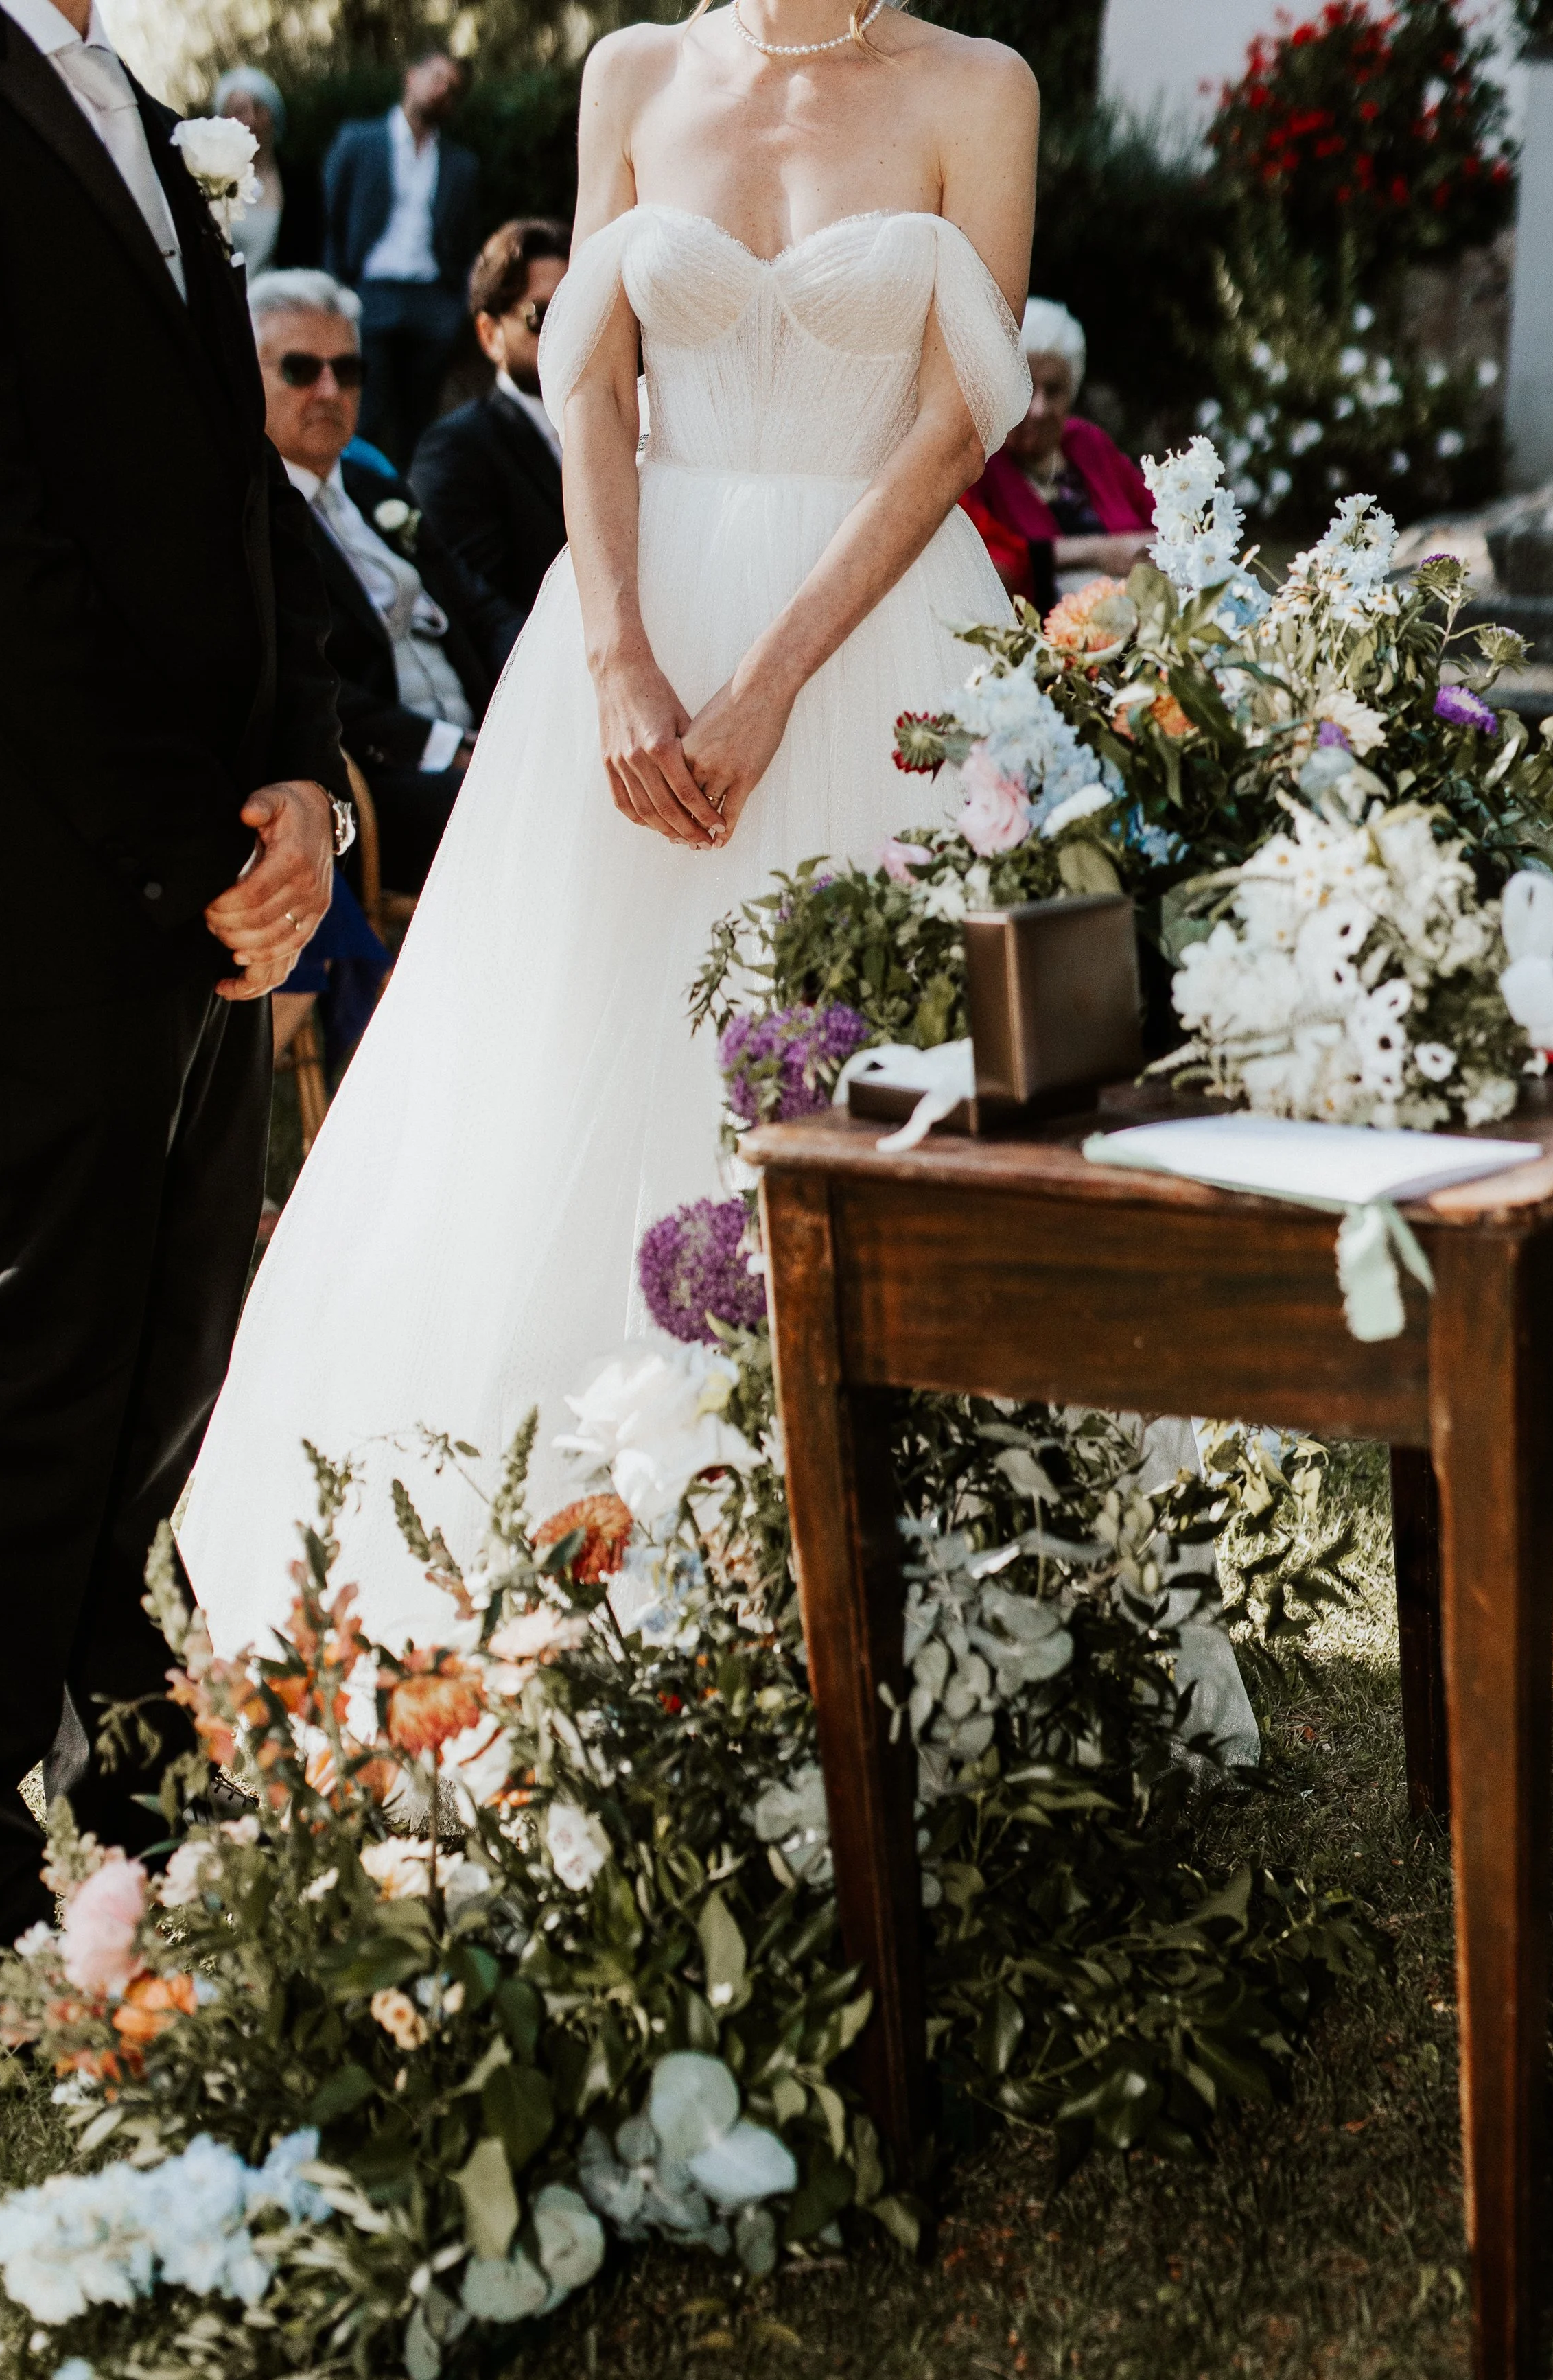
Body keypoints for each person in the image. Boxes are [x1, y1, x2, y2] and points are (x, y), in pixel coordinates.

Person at [180, 0, 1041, 1658]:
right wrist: (616, 656)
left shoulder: (976, 86)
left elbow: (956, 422)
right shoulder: (633, 71)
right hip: (631, 625)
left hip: (872, 648)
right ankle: (544, 1532)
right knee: (566, 1059)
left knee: (864, 1077)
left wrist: (774, 676)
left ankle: (878, 1566)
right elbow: (588, 378)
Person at [0, 0, 349, 1974]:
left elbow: (236, 500)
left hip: (204, 863)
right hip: (26, 859)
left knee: (167, 1334)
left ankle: (126, 1749)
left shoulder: (136, 113)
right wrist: (194, 848)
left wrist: (310, 786)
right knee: (19, 1361)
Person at [252, 268, 491, 895]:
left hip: (479, 740)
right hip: (380, 778)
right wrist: (447, 746)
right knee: (522, 813)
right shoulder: (246, 520)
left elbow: (476, 606)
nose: (329, 390)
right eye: (302, 370)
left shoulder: (378, 489)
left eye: (348, 371)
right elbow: (308, 680)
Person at [411, 216, 571, 682]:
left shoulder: (644, 427)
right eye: (541, 317)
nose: (566, 334)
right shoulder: (457, 451)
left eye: (578, 311)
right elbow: (478, 609)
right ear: (488, 333)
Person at [323, 49, 479, 466]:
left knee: (422, 422)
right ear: (411, 77)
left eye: (453, 88)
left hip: (433, 302)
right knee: (365, 415)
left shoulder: (461, 165)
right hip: (370, 293)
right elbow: (332, 220)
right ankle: (362, 504)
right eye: (436, 77)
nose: (443, 90)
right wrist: (339, 291)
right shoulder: (358, 141)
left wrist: (455, 308)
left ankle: (412, 513)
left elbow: (463, 242)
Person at [964, 296, 1154, 610]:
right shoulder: (978, 459)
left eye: (1053, 391)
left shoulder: (1087, 442)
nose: (1038, 409)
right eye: (1025, 388)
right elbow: (990, 565)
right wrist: (1098, 551)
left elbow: (1163, 518)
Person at [212, 64, 321, 276]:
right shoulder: (209, 185)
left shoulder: (301, 182)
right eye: (239, 111)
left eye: (259, 109)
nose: (251, 120)